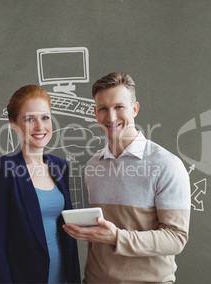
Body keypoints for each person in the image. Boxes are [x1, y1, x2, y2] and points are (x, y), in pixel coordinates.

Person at [63, 72, 191, 283]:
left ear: (134, 109)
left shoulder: (167, 165)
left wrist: (117, 237)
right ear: (95, 113)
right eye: (103, 108)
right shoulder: (94, 166)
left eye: (119, 107)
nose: (111, 117)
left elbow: (176, 238)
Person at [0, 85, 81, 284]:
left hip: (63, 277)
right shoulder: (1, 170)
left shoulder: (60, 166)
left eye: (45, 117)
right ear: (13, 124)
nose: (40, 126)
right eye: (29, 119)